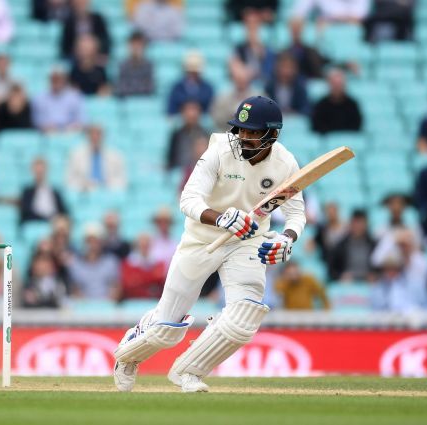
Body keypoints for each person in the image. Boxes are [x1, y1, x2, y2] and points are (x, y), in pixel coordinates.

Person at [113, 96, 306, 392]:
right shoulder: (218, 151)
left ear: (273, 134)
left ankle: (189, 372)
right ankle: (127, 355)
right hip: (202, 239)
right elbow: (188, 199)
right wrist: (220, 219)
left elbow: (296, 214)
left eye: (253, 133)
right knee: (166, 327)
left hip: (248, 241)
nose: (244, 137)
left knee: (245, 316)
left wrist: (286, 238)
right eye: (241, 130)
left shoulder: (285, 163)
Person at [66, 125, 127, 191]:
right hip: (84, 194)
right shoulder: (76, 155)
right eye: (92, 135)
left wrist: (107, 186)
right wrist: (84, 186)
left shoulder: (115, 156)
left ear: (103, 136)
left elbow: (122, 180)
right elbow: (69, 180)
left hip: (108, 193)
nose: (95, 138)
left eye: (98, 135)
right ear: (87, 136)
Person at [32, 67, 86, 133]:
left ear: (65, 80)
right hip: (47, 134)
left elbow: (83, 120)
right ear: (49, 79)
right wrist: (45, 126)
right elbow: (36, 121)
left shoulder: (75, 97)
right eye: (54, 79)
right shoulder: (39, 98)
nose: (56, 82)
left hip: (70, 134)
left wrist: (71, 127)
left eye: (59, 78)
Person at [310, 69, 362, 134]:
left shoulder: (352, 104)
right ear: (329, 84)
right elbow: (316, 125)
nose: (337, 87)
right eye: (334, 84)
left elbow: (357, 125)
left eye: (339, 84)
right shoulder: (321, 105)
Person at [19, 157, 68, 224]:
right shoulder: (27, 192)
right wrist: (46, 218)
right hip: (35, 222)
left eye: (42, 171)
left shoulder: (55, 192)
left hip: (54, 224)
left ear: (46, 170)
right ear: (33, 171)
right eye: (38, 171)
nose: (40, 173)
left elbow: (64, 211)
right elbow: (25, 213)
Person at [166, 51, 214, 117]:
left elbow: (210, 112)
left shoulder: (207, 89)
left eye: (195, 73)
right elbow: (171, 112)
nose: (192, 76)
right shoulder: (177, 88)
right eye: (189, 72)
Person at [167, 101, 209, 171]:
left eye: (195, 110)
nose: (192, 114)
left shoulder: (206, 134)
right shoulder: (176, 135)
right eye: (188, 110)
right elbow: (171, 161)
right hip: (180, 174)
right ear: (182, 113)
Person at [114, 31, 155, 98]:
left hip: (143, 102)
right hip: (126, 102)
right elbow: (120, 88)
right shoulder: (123, 65)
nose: (136, 48)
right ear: (129, 46)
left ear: (144, 47)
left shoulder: (148, 65)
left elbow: (150, 88)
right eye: (134, 45)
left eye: (139, 45)